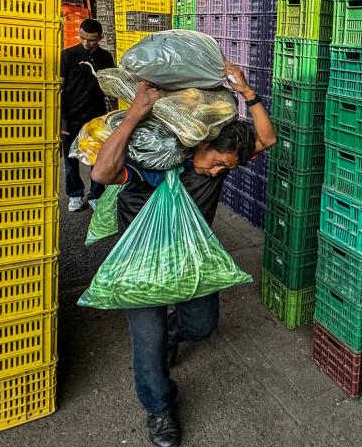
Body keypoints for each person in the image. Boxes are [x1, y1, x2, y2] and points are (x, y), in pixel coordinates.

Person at [91, 62, 276, 447]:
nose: (217, 173)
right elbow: (102, 175)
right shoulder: (156, 166)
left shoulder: (221, 165)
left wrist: (247, 93)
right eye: (217, 163)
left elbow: (266, 140)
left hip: (192, 261)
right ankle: (158, 410)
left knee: (202, 326)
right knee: (147, 344)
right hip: (140, 266)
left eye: (226, 168)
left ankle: (171, 336)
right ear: (203, 144)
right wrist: (136, 114)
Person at [61, 18, 114, 212]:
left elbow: (111, 86)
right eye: (82, 38)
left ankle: (96, 195)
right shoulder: (68, 55)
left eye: (91, 40)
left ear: (100, 37)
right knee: (70, 159)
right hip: (70, 115)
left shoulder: (106, 57)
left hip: (96, 116)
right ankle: (75, 194)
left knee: (97, 157)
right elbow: (59, 84)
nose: (86, 43)